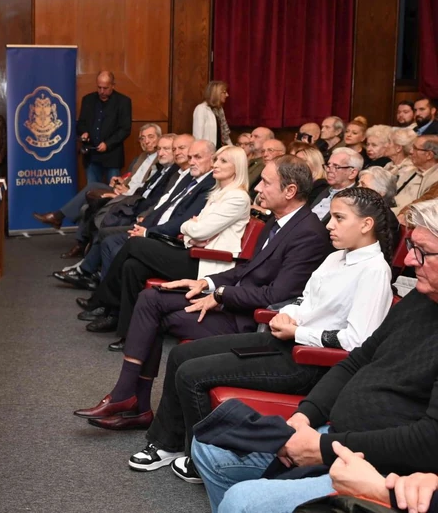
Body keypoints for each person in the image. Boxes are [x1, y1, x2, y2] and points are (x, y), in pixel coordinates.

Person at [125, 187, 393, 484]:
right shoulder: (336, 257)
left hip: (312, 363)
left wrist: (298, 330)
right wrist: (288, 314)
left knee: (192, 374)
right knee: (180, 354)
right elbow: (305, 300)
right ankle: (167, 443)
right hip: (288, 341)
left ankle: (200, 459)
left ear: (366, 224)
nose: (329, 224)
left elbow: (357, 341)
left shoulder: (374, 270)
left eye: (339, 218)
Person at [192, 197, 438, 513]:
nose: (410, 259)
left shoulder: (377, 271)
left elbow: (429, 440)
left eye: (423, 251)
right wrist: (304, 416)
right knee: (210, 445)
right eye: (412, 247)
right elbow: (358, 360)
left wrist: (323, 448)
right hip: (334, 432)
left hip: (380, 464)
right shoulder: (419, 299)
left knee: (243, 500)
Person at [76, 156, 333, 430]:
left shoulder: (308, 234)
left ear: (290, 191)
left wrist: (220, 294)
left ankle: (134, 403)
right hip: (234, 303)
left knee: (156, 316)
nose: (257, 188)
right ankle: (126, 395)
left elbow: (274, 296)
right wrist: (205, 283)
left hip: (250, 321)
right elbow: (246, 269)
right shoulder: (277, 221)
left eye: (266, 183)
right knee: (151, 298)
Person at [102, 146, 252, 349]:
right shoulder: (218, 193)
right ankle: (129, 336)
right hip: (195, 252)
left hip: (208, 262)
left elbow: (198, 231)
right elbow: (195, 232)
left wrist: (191, 228)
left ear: (237, 167)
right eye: (216, 160)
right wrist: (193, 230)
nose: (215, 164)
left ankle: (105, 299)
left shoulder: (237, 197)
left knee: (135, 243)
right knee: (132, 266)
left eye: (223, 161)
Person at [79, 140, 218, 332]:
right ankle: (113, 312)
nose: (191, 161)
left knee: (128, 248)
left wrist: (147, 232)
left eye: (197, 157)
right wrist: (144, 227)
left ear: (213, 159)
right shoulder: (190, 177)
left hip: (177, 243)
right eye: (190, 156)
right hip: (159, 231)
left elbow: (185, 222)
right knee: (117, 249)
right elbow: (163, 206)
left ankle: (104, 303)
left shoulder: (211, 184)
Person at [33, 123, 160, 232]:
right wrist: (121, 181)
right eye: (142, 138)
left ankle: (58, 217)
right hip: (123, 189)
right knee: (88, 204)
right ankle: (80, 241)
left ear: (159, 138)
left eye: (151, 137)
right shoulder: (141, 157)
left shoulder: (160, 161)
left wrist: (128, 190)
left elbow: (150, 187)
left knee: (93, 188)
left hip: (133, 197)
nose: (146, 141)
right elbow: (133, 177)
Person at [76, 70, 133, 184]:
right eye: (99, 87)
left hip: (112, 157)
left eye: (105, 88)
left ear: (113, 85)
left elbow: (125, 129)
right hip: (91, 156)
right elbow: (81, 123)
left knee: (114, 190)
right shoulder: (88, 100)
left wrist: (108, 144)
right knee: (93, 190)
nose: (102, 91)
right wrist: (84, 132)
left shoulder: (123, 102)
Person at [310, 147, 362, 224]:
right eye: (328, 165)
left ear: (352, 173)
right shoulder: (323, 188)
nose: (328, 170)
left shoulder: (354, 200)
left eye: (336, 166)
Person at [395, 135, 438, 215]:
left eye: (415, 148)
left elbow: (421, 209)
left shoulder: (435, 180)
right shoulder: (411, 170)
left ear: (429, 155)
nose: (411, 151)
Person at [193, 80, 233, 147]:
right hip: (206, 150)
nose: (227, 95)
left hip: (218, 149)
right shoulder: (201, 109)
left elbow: (225, 134)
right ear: (216, 93)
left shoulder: (220, 109)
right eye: (224, 92)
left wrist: (233, 148)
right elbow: (198, 136)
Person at [248, 128, 276, 195]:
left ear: (268, 140)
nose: (251, 140)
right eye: (251, 136)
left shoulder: (267, 163)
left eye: (256, 137)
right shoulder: (245, 158)